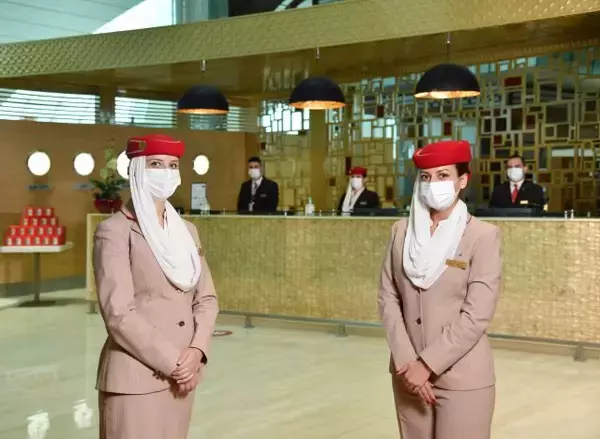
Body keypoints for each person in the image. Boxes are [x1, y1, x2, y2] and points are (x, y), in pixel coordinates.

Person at [93, 134, 219, 439]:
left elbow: (206, 298)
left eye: (173, 165)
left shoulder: (186, 231)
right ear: (136, 170)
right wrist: (174, 363)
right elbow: (119, 314)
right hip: (137, 378)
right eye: (156, 164)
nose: (166, 172)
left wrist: (196, 351)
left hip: (183, 377)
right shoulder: (114, 232)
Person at [378, 140, 502, 439]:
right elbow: (388, 297)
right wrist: (408, 363)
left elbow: (476, 315)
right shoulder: (401, 232)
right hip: (408, 375)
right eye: (426, 176)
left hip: (462, 376)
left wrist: (427, 364)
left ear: (463, 180)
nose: (433, 183)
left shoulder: (482, 236)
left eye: (443, 175)